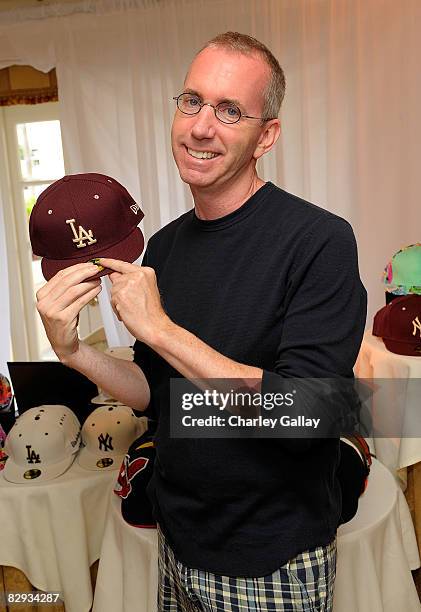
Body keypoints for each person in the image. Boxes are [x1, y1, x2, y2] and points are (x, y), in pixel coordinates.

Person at [36, 32, 367, 611]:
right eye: (191, 101)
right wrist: (72, 352)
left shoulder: (319, 241)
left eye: (229, 110)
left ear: (267, 135)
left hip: (272, 556)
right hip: (178, 539)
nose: (200, 127)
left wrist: (160, 328)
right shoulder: (164, 247)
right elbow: (156, 395)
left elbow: (308, 415)